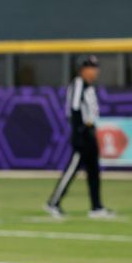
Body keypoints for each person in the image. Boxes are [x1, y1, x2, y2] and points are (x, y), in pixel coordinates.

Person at [46, 56, 114, 218]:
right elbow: (75, 109)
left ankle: (96, 206)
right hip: (82, 132)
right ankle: (53, 202)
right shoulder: (78, 84)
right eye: (92, 67)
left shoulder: (89, 87)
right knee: (72, 169)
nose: (95, 71)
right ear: (83, 69)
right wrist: (78, 133)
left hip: (90, 131)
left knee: (94, 171)